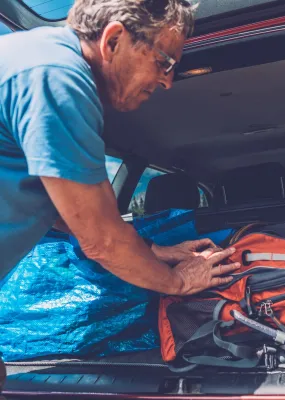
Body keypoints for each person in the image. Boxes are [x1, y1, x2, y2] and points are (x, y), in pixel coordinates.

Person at [0, 0, 240, 295]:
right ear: (114, 40)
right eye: (164, 63)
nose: (167, 82)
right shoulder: (58, 78)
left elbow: (69, 215)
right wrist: (178, 282)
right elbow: (101, 239)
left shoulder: (41, 60)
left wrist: (155, 251)